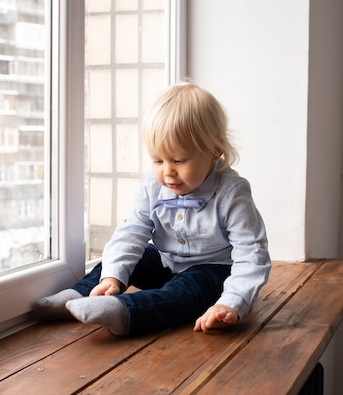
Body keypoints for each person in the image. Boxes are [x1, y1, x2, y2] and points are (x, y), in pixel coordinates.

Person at [33, 81, 270, 336]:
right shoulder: (152, 184)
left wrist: (231, 302)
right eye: (158, 160)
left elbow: (251, 254)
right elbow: (132, 231)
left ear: (214, 151)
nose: (167, 171)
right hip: (165, 262)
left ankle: (125, 311)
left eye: (178, 160)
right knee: (133, 256)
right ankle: (79, 294)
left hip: (212, 271)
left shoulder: (232, 192)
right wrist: (112, 277)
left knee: (184, 293)